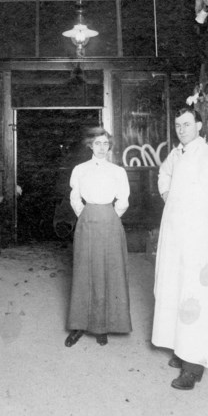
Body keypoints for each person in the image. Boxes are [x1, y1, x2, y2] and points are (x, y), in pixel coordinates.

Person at [152, 106, 208, 389]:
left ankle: (193, 367)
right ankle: (180, 350)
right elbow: (163, 174)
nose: (181, 129)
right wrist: (169, 195)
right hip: (173, 233)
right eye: (178, 125)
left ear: (199, 126)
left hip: (197, 235)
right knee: (171, 288)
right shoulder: (176, 154)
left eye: (187, 124)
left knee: (194, 295)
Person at [65, 128, 132, 348]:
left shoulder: (117, 171)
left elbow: (123, 200)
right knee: (84, 270)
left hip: (110, 221)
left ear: (109, 146)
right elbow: (75, 197)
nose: (102, 147)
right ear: (90, 146)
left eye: (105, 143)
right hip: (87, 220)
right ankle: (79, 325)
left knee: (108, 271)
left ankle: (103, 326)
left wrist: (109, 216)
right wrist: (86, 214)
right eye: (97, 143)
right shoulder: (80, 169)